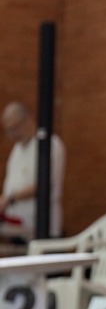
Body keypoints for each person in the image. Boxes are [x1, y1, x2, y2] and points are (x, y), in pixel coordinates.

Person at [0, 102, 66, 240]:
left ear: (28, 120)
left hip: (42, 227)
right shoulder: (17, 149)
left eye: (15, 128)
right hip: (18, 227)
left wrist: (9, 199)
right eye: (9, 130)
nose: (12, 134)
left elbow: (44, 185)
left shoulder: (49, 144)